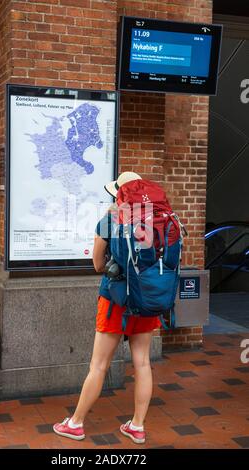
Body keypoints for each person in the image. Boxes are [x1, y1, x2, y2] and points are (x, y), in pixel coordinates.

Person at [53, 172, 161, 445]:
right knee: (143, 363)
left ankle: (75, 423)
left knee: (99, 365)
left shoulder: (111, 219)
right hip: (145, 299)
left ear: (118, 194)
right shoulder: (153, 217)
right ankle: (137, 426)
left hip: (115, 300)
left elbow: (98, 264)